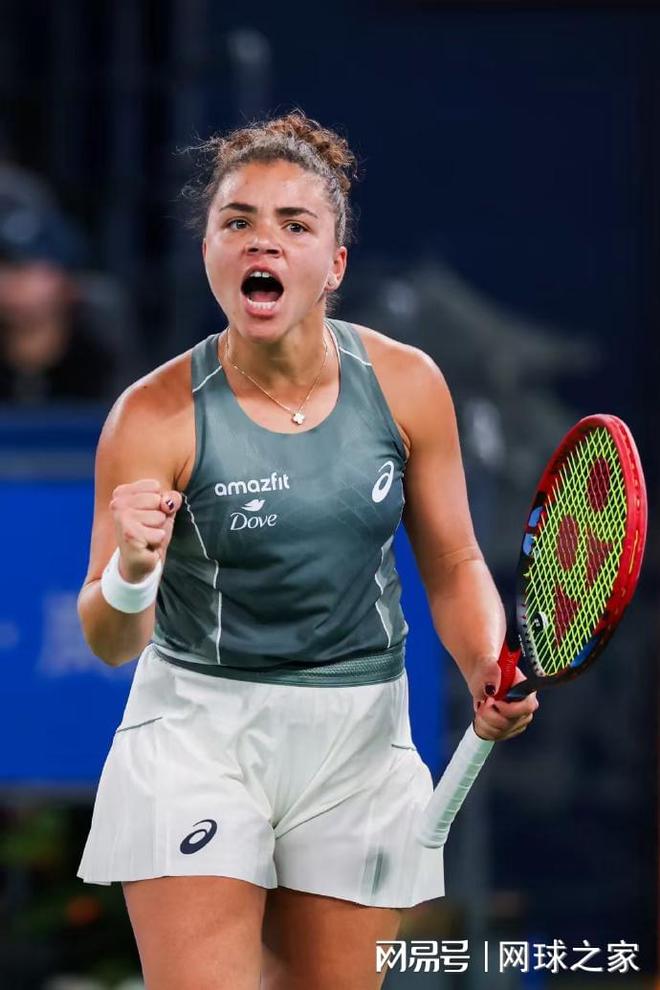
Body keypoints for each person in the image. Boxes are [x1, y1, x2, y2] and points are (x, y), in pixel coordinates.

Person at [76, 111, 538, 990]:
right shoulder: (152, 415)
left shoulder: (406, 384)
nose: (265, 241)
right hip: (199, 731)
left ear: (336, 264)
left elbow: (453, 562)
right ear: (210, 254)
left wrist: (484, 657)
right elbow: (109, 641)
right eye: (238, 221)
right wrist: (133, 574)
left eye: (295, 225)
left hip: (358, 734)